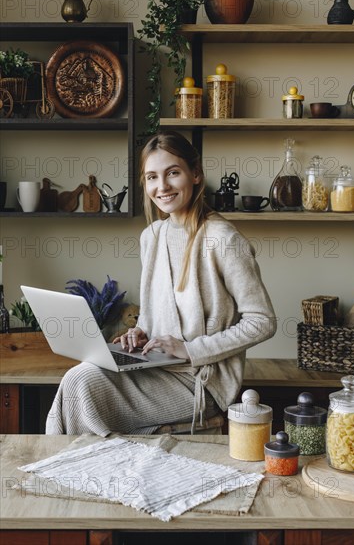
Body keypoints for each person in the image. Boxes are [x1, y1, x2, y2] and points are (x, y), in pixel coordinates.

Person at [46, 131, 276, 436]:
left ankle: (78, 469)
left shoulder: (223, 239)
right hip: (153, 367)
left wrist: (190, 350)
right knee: (81, 375)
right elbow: (159, 313)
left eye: (173, 173)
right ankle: (80, 469)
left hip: (199, 382)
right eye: (152, 177)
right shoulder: (152, 236)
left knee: (83, 385)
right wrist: (140, 332)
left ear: (195, 174)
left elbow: (263, 321)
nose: (162, 186)